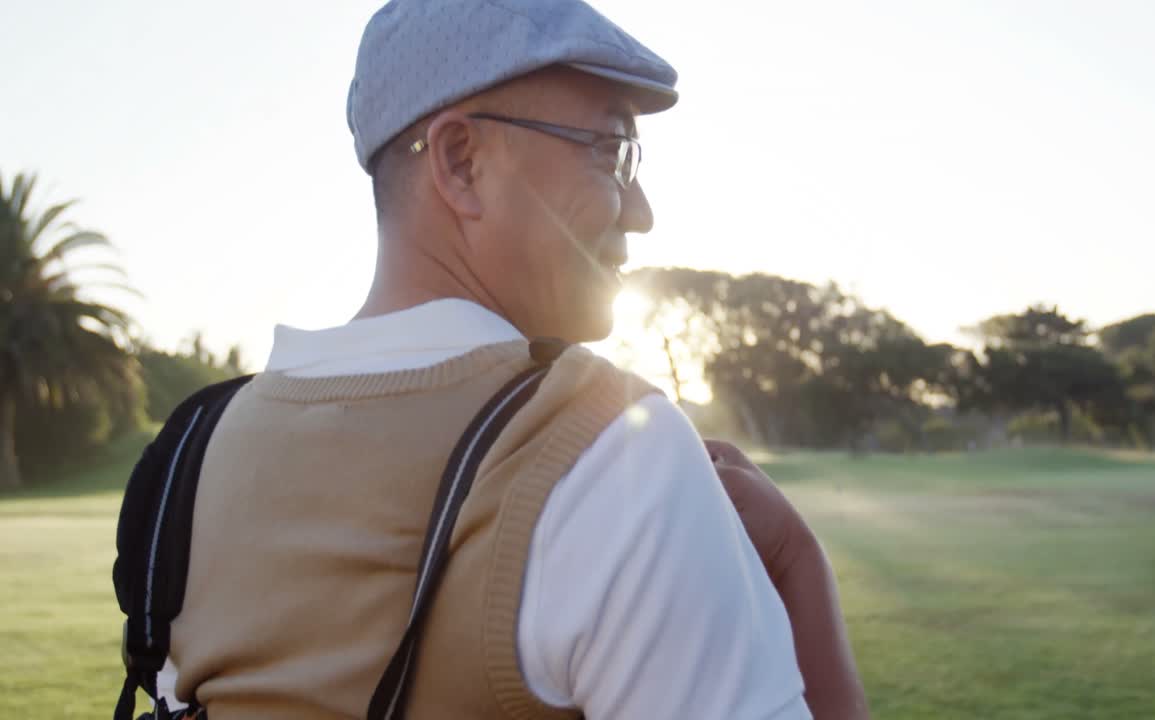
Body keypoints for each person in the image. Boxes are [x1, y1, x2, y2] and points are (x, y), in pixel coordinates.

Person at [158, 1, 868, 718]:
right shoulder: (613, 458)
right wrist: (796, 566)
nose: (641, 208)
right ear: (461, 162)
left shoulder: (193, 456)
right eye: (610, 150)